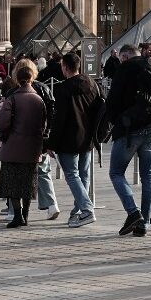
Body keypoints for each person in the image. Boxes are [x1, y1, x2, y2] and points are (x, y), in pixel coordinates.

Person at [105, 44, 151, 237]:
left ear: (124, 57)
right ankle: (144, 223)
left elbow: (112, 101)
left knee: (116, 172)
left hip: (129, 130)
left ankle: (133, 212)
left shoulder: (124, 69)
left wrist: (116, 122)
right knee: (148, 176)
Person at [49, 52, 103, 228]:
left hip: (69, 138)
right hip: (87, 137)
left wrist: (51, 143)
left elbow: (59, 119)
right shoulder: (92, 84)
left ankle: (86, 210)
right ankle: (79, 210)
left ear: (65, 67)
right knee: (83, 174)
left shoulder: (64, 88)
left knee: (72, 175)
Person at [0, 62, 48, 229]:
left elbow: (3, 124)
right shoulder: (39, 100)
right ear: (32, 78)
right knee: (27, 182)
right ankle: (25, 215)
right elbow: (44, 124)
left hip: (13, 146)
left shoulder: (13, 98)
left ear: (17, 79)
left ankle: (17, 215)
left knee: (12, 183)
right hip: (32, 147)